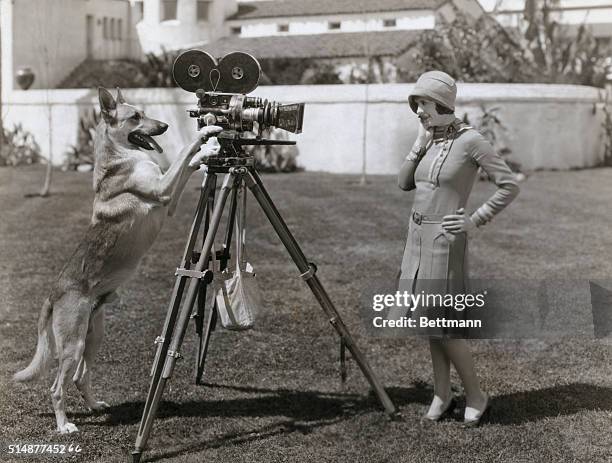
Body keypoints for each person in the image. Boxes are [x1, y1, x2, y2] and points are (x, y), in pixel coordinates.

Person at [397, 71, 519, 426]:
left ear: (443, 103)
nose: (419, 110)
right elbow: (403, 182)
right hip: (415, 237)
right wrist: (420, 142)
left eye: (424, 103)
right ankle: (442, 393)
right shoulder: (428, 139)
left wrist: (475, 218)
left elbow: (508, 184)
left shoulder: (472, 140)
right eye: (417, 104)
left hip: (444, 240)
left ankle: (476, 394)